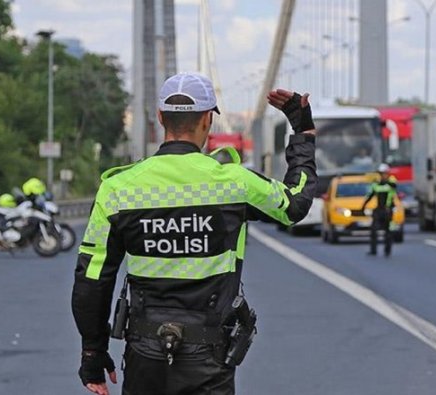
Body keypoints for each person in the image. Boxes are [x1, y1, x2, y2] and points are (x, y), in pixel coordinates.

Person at [71, 72, 317, 395]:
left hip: (145, 355)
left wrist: (93, 352)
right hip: (209, 356)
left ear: (161, 118)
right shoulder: (234, 184)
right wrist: (303, 133)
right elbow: (294, 204)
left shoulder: (117, 189)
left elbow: (91, 280)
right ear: (207, 121)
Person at [361, 163, 397, 257]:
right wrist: (363, 206)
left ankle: (387, 251)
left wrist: (385, 181)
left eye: (384, 173)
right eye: (381, 174)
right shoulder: (376, 185)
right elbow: (370, 196)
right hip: (378, 210)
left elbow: (394, 185)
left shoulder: (391, 183)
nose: (382, 175)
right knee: (373, 230)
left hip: (388, 210)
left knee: (388, 232)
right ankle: (373, 250)